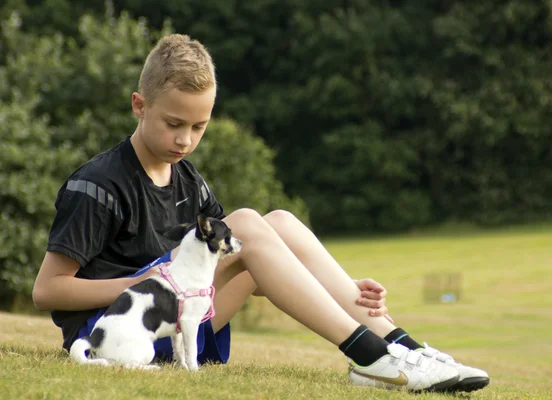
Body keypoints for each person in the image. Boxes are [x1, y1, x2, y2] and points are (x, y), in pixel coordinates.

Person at [32, 34, 489, 393]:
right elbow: (46, 291)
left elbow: (249, 268)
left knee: (280, 223)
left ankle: (400, 346)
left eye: (199, 127)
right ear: (139, 105)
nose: (185, 140)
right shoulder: (97, 184)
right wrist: (147, 283)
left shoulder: (191, 182)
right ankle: (371, 355)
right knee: (249, 223)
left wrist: (341, 290)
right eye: (173, 124)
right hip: (124, 332)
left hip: (183, 320)